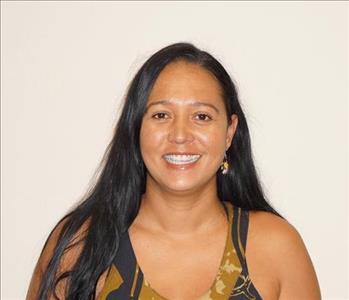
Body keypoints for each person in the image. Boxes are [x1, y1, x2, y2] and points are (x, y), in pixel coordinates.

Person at [26, 42, 321, 300]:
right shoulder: (81, 243)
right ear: (137, 127)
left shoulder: (276, 247)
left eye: (202, 116)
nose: (180, 134)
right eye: (161, 115)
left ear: (229, 131)